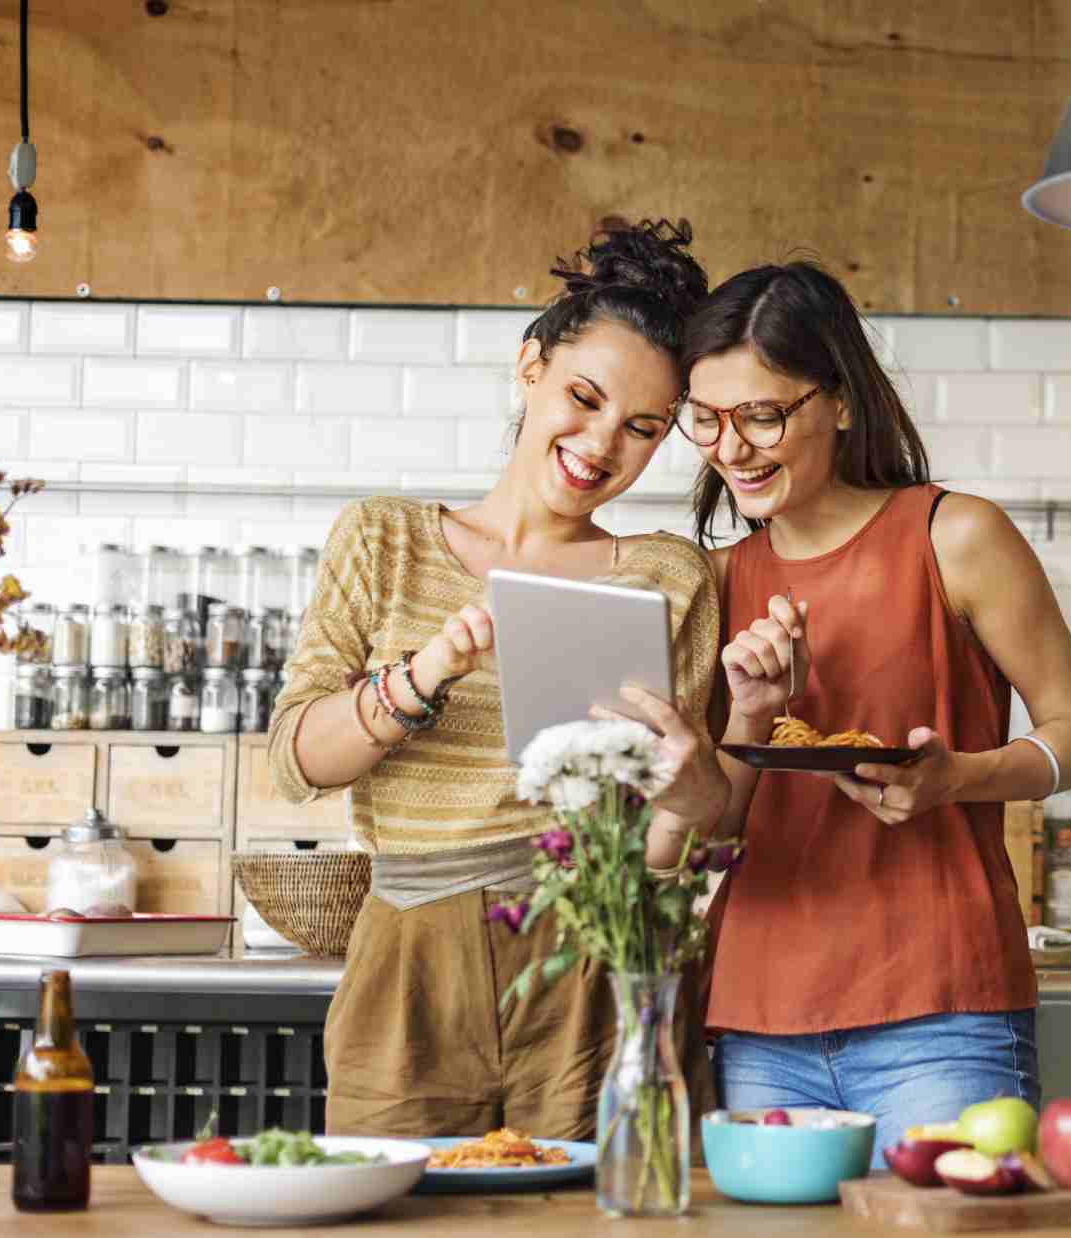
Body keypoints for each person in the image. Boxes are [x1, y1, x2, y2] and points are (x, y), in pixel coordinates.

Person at [266, 219, 729, 1138]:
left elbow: (667, 835)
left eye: (642, 428)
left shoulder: (672, 574)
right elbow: (294, 763)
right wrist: (426, 672)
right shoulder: (384, 539)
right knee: (394, 1213)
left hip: (593, 955)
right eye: (583, 398)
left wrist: (691, 790)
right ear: (531, 369)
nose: (601, 444)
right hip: (410, 952)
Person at [680, 261, 1071, 1155]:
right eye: (707, 419)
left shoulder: (955, 536)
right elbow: (714, 827)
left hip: (940, 1006)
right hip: (760, 1011)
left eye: (762, 415)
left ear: (838, 401)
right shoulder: (716, 581)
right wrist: (750, 717)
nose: (732, 448)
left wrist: (960, 778)